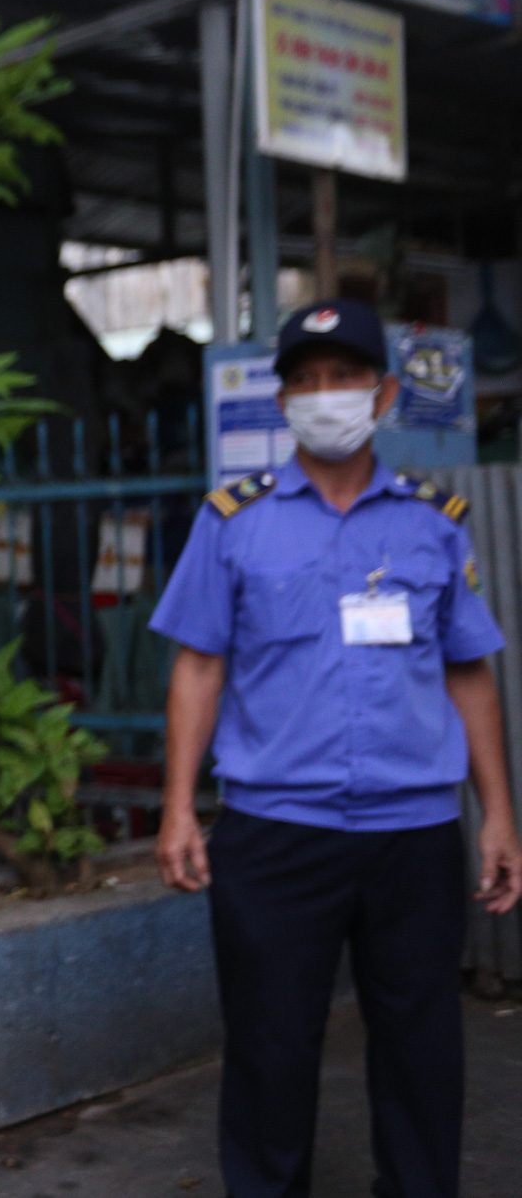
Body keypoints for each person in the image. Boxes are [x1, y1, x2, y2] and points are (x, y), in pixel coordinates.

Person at [150, 297, 522, 1198]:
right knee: (272, 1046)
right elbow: (199, 667)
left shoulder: (436, 520)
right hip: (276, 832)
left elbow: (469, 670)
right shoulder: (233, 520)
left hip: (414, 831)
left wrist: (500, 813)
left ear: (384, 392)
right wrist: (175, 809)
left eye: (346, 377)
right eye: (307, 381)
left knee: (420, 1044)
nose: (327, 396)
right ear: (283, 402)